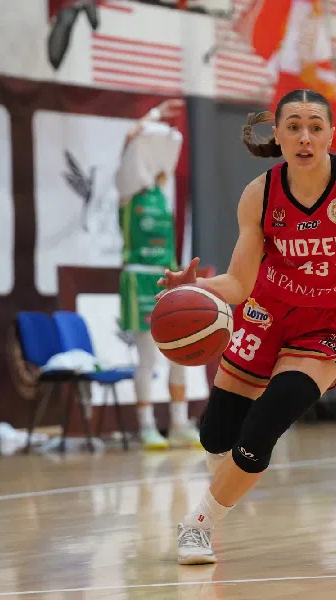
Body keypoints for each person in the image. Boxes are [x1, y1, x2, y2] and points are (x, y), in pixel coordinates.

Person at [159, 89, 336, 565]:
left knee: (265, 424)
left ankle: (198, 524)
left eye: (315, 127)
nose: (305, 137)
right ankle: (227, 485)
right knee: (217, 435)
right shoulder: (259, 195)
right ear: (278, 135)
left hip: (331, 322)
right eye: (295, 127)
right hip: (268, 312)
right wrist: (198, 288)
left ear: (330, 135)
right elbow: (240, 283)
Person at [115, 99, 201, 450]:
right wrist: (152, 116)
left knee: (181, 354)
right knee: (148, 357)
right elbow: (130, 139)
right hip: (139, 278)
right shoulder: (127, 193)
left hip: (168, 278)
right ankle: (146, 426)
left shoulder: (162, 194)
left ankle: (179, 423)